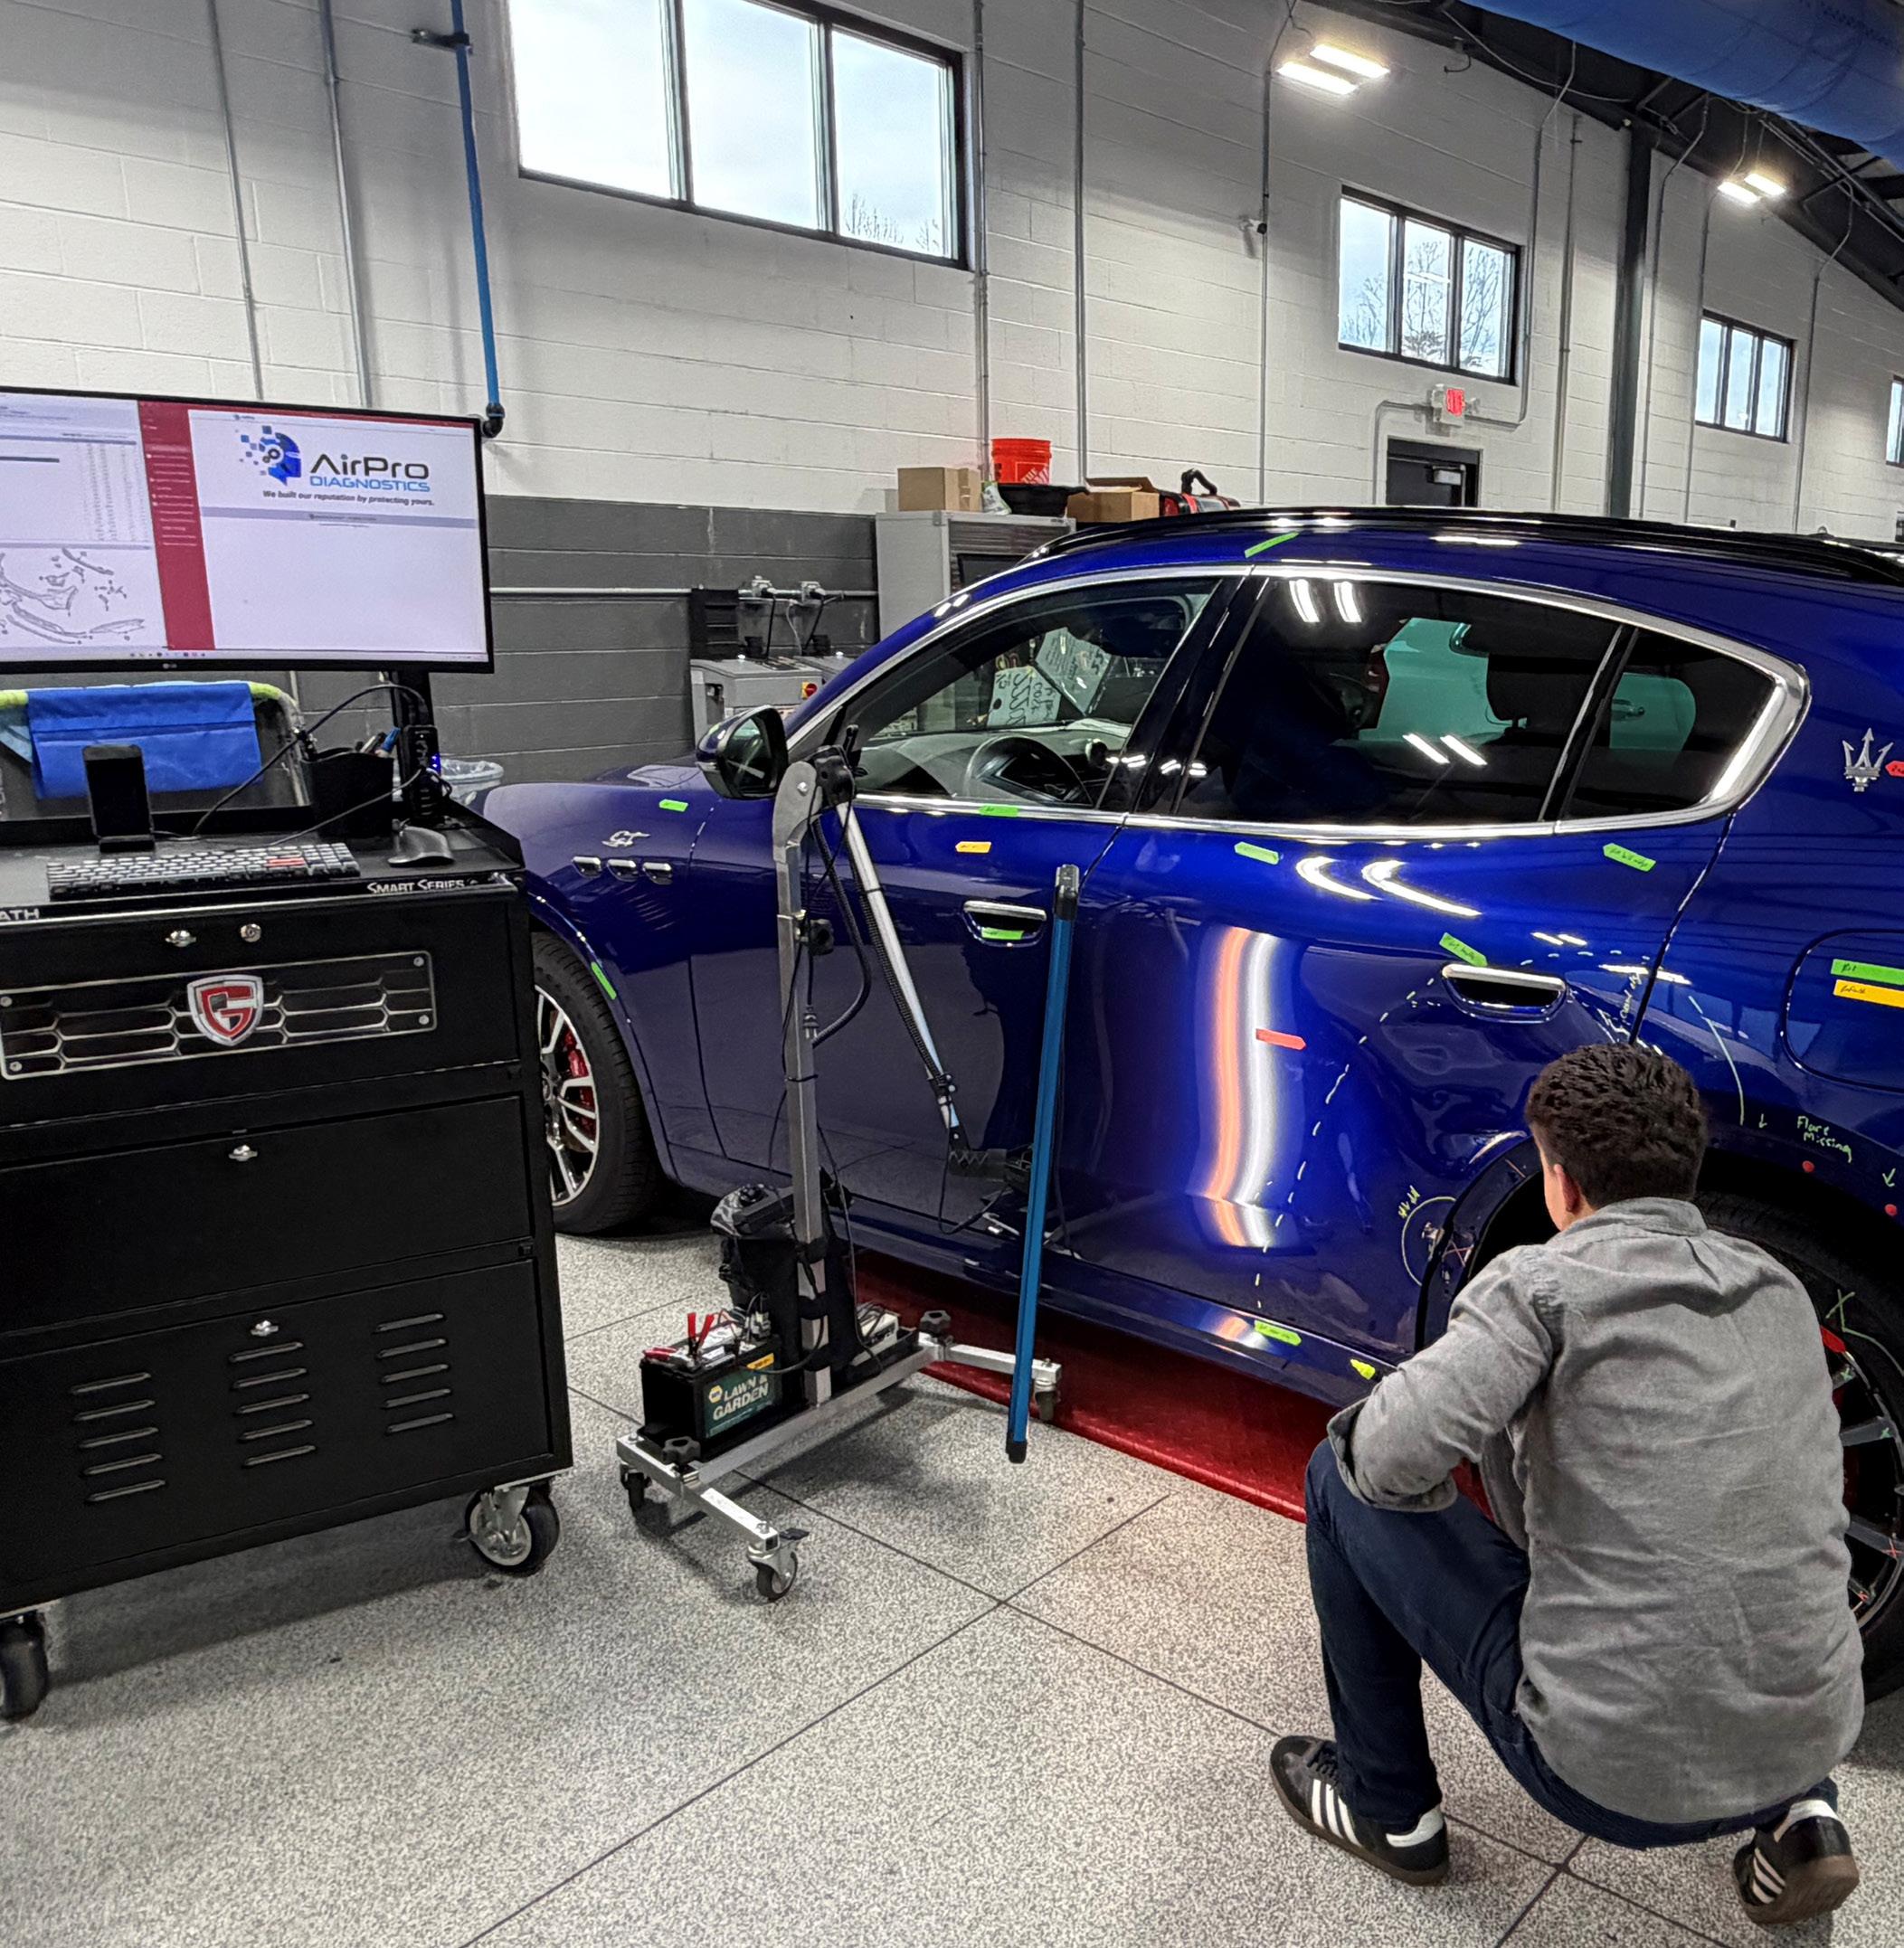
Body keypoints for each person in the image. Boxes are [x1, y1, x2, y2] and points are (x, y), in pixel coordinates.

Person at [1272, 1044, 1864, 1928]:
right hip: (1814, 1733)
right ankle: (1801, 1818)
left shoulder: (1540, 1286)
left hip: (1607, 1780)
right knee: (1743, 1530)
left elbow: (1387, 1460)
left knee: (1336, 1473)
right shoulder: (1774, 1286)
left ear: (1560, 1182)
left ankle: (1386, 1809)